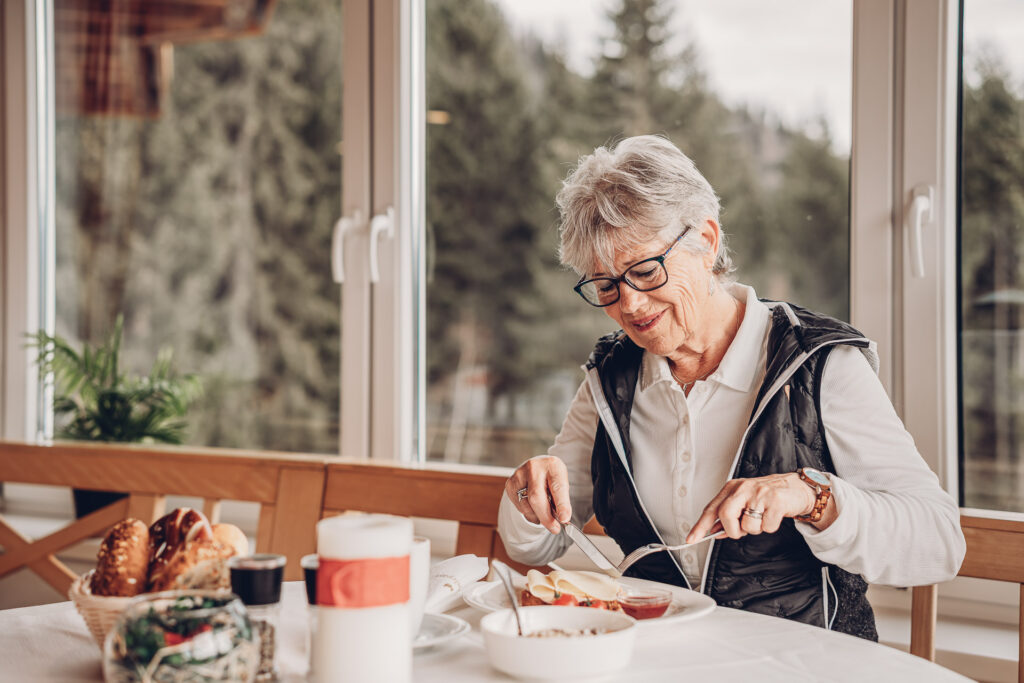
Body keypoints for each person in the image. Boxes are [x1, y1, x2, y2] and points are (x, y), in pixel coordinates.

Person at [497, 135, 965, 640]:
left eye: (646, 271)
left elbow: (939, 542)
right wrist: (526, 496)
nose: (628, 306)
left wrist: (811, 497)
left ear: (708, 241)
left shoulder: (818, 364)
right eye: (606, 285)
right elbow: (534, 549)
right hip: (659, 661)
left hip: (803, 665)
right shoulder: (611, 378)